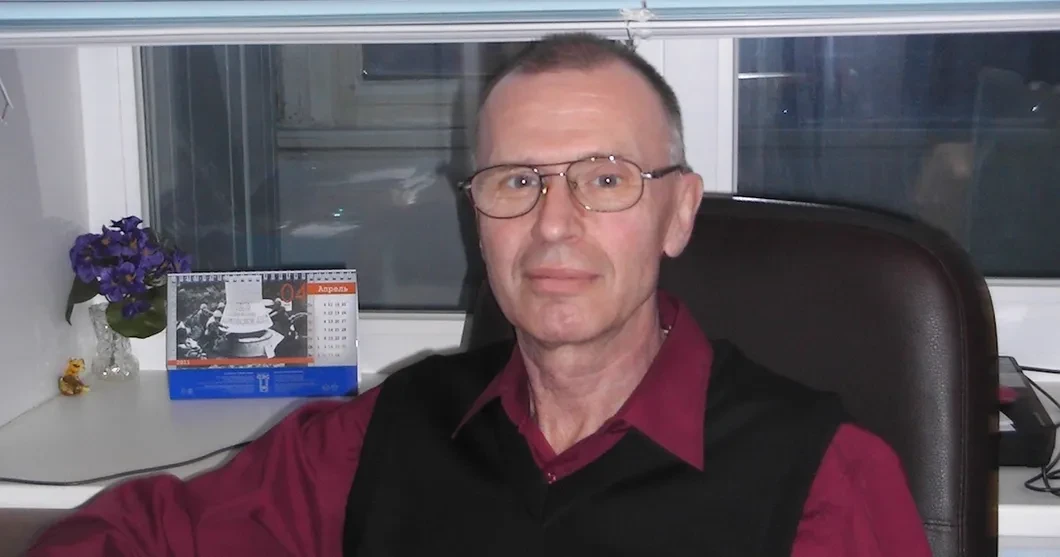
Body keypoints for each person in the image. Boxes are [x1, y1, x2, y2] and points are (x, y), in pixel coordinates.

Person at [26, 33, 931, 556]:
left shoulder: (826, 477)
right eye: (516, 181)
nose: (554, 224)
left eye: (605, 179)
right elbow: (136, 539)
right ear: (478, 214)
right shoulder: (376, 437)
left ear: (678, 211)